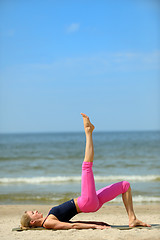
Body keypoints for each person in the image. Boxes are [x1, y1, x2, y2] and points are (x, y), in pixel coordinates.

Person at [21, 113, 150, 230]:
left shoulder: (49, 217)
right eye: (33, 213)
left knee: (125, 185)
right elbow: (73, 226)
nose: (35, 211)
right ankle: (88, 131)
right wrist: (94, 226)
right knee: (86, 166)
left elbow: (75, 221)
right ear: (32, 222)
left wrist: (97, 223)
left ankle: (132, 219)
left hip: (92, 201)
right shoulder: (48, 223)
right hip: (87, 201)